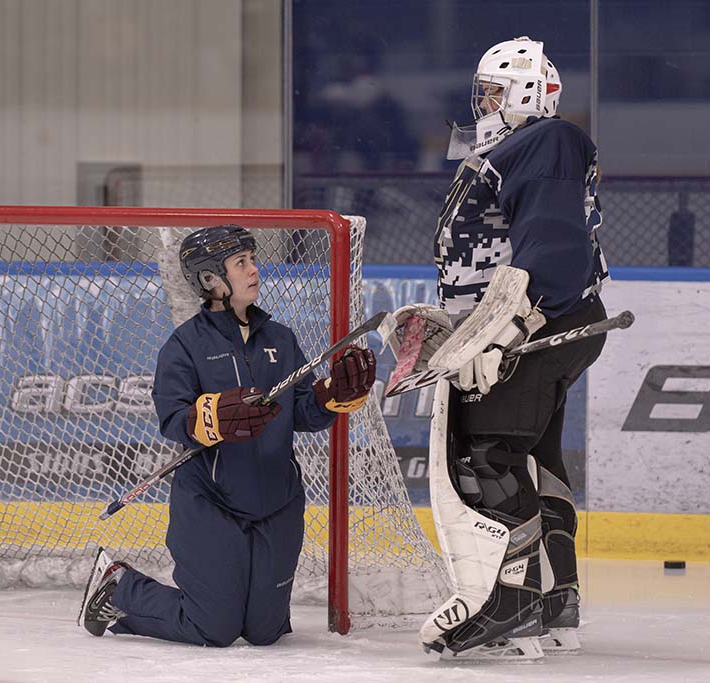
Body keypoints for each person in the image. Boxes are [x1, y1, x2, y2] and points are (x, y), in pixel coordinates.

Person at [78, 224, 376, 647]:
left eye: (252, 260)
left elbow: (303, 411)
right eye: (241, 263)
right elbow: (173, 417)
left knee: (264, 632)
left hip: (277, 499)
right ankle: (121, 586)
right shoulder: (184, 346)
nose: (254, 270)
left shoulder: (280, 339)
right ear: (210, 280)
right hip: (211, 501)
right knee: (213, 628)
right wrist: (213, 415)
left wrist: (334, 396)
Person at [409, 37, 609, 660]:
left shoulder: (542, 139)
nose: (485, 103)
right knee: (530, 457)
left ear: (526, 92)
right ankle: (557, 596)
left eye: (494, 91)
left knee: (486, 456)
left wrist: (512, 328)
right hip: (534, 322)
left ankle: (513, 600)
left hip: (530, 326)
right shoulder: (516, 148)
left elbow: (553, 248)